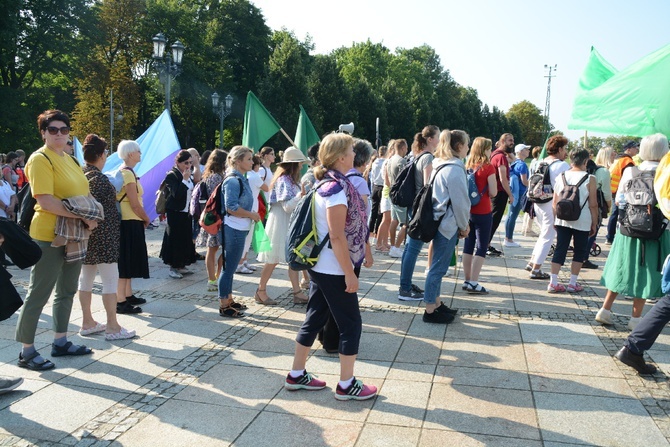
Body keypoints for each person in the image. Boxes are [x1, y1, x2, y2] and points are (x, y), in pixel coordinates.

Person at [285, 132, 377, 400]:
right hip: (332, 268)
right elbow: (336, 236)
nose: (354, 155)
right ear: (340, 157)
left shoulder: (323, 184)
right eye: (350, 151)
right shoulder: (336, 190)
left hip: (320, 266)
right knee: (350, 324)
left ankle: (296, 373)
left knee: (315, 317)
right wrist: (350, 273)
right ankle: (347, 385)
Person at [15, 110, 98, 371]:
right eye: (53, 129)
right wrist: (84, 216)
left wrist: (87, 217)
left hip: (74, 233)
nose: (59, 134)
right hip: (49, 236)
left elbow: (82, 192)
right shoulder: (40, 159)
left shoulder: (71, 160)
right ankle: (26, 351)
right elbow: (46, 200)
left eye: (64, 129)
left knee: (67, 290)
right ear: (43, 132)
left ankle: (60, 341)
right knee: (38, 293)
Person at [596, 134, 670, 330]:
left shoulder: (631, 171)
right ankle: (636, 319)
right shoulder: (666, 174)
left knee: (622, 267)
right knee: (646, 271)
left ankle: (605, 309)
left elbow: (620, 200)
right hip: (657, 231)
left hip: (627, 229)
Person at [77, 134, 135, 340]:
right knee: (110, 281)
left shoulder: (80, 174)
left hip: (86, 236)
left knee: (86, 280)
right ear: (101, 155)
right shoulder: (100, 179)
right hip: (105, 236)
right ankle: (112, 326)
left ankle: (87, 321)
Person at [422, 130, 470, 323]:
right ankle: (429, 310)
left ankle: (437, 303)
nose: (468, 148)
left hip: (439, 220)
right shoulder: (455, 168)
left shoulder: (440, 165)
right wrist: (464, 225)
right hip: (447, 224)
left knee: (438, 267)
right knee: (438, 269)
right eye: (467, 144)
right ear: (458, 146)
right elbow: (460, 203)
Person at [256, 147, 309, 305]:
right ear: (293, 164)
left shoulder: (290, 179)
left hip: (287, 221)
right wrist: (301, 195)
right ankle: (261, 290)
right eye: (300, 163)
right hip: (281, 222)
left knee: (292, 257)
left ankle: (297, 291)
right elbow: (287, 206)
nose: (301, 166)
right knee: (273, 259)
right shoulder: (284, 180)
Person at [546, 148, 598, 293]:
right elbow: (593, 204)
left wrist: (556, 219)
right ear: (586, 161)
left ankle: (553, 282)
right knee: (579, 251)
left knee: (560, 249)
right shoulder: (590, 179)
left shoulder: (561, 176)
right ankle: (572, 283)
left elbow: (555, 201)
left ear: (571, 160)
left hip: (563, 218)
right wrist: (594, 222)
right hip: (583, 219)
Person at [217, 146, 260, 318]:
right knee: (228, 268)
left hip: (239, 227)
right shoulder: (233, 181)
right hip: (234, 227)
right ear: (238, 161)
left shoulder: (241, 178)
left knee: (232, 266)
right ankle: (224, 304)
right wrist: (252, 215)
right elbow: (231, 207)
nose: (252, 162)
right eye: (249, 159)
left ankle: (229, 299)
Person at [398, 125, 440, 301]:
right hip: (420, 209)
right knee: (412, 249)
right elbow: (427, 185)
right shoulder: (428, 157)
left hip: (412, 207)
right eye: (437, 136)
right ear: (430, 139)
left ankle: (405, 284)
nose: (439, 140)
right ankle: (405, 289)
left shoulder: (418, 156)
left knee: (409, 249)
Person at [525, 136, 570, 279]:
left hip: (537, 201)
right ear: (560, 148)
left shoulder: (541, 162)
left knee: (543, 235)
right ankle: (536, 269)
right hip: (551, 203)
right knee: (548, 236)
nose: (566, 152)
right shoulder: (562, 165)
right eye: (565, 148)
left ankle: (532, 262)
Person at [116, 139, 151, 314]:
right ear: (131, 154)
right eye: (138, 151)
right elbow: (135, 203)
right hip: (129, 220)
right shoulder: (127, 174)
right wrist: (146, 218)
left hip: (130, 220)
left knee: (128, 260)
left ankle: (127, 294)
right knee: (125, 260)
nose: (140, 154)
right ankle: (120, 300)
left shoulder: (127, 172)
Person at [462, 137, 497, 294]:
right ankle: (474, 282)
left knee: (468, 246)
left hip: (469, 210)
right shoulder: (488, 168)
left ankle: (467, 279)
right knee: (482, 246)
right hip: (483, 210)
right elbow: (494, 192)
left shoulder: (467, 165)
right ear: (485, 149)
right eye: (489, 148)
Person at [160, 150, 197, 279]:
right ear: (178, 162)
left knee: (185, 238)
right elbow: (176, 194)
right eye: (186, 163)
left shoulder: (188, 174)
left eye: (190, 163)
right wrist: (185, 180)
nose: (188, 166)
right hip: (175, 211)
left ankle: (181, 265)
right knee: (175, 238)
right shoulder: (172, 175)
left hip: (186, 211)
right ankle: (173, 266)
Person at [196, 149, 227, 291]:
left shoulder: (210, 176)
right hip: (217, 218)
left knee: (214, 249)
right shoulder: (218, 177)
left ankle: (214, 277)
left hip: (213, 217)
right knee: (217, 249)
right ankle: (214, 278)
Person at [236, 154, 269, 274]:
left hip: (249, 207)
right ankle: (239, 263)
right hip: (252, 208)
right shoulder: (254, 176)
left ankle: (243, 261)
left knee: (247, 237)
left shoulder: (248, 175)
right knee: (247, 238)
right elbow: (266, 188)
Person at [581, 147, 614, 269]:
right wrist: (609, 205)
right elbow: (606, 193)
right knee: (592, 231)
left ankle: (579, 256)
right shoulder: (604, 172)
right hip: (596, 205)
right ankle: (584, 258)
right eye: (612, 154)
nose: (614, 156)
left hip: (581, 204)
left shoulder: (586, 168)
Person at [487, 133, 515, 256]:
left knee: (492, 219)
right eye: (510, 140)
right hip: (500, 192)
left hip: (494, 191)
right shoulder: (501, 157)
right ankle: (484, 245)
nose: (512, 143)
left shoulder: (495, 155)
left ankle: (485, 244)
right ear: (502, 141)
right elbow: (503, 179)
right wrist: (510, 194)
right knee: (494, 220)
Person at [606, 140, 639, 245]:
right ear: (628, 149)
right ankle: (612, 237)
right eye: (635, 147)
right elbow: (628, 178)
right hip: (620, 191)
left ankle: (609, 237)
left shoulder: (618, 159)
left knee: (614, 214)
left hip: (613, 189)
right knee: (619, 215)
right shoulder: (627, 161)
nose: (637, 149)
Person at [386, 139, 409, 258]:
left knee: (394, 220)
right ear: (403, 148)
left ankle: (393, 245)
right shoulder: (402, 161)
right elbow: (405, 180)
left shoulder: (390, 160)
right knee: (406, 223)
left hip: (392, 192)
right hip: (400, 195)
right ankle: (396, 247)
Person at [504, 144, 530, 247]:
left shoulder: (515, 163)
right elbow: (524, 181)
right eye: (526, 149)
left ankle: (508, 238)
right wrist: (533, 184)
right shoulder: (522, 165)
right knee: (513, 216)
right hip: (520, 193)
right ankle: (509, 239)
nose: (528, 151)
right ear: (520, 152)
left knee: (510, 215)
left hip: (514, 192)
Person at [368, 145, 387, 248]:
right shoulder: (386, 162)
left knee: (373, 212)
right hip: (382, 186)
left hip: (375, 187)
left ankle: (370, 234)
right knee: (380, 213)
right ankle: (376, 234)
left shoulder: (375, 162)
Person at [522, 146, 543, 237]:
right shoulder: (538, 162)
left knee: (528, 210)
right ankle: (528, 229)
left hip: (530, 186)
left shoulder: (533, 162)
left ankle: (525, 228)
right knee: (531, 209)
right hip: (534, 187)